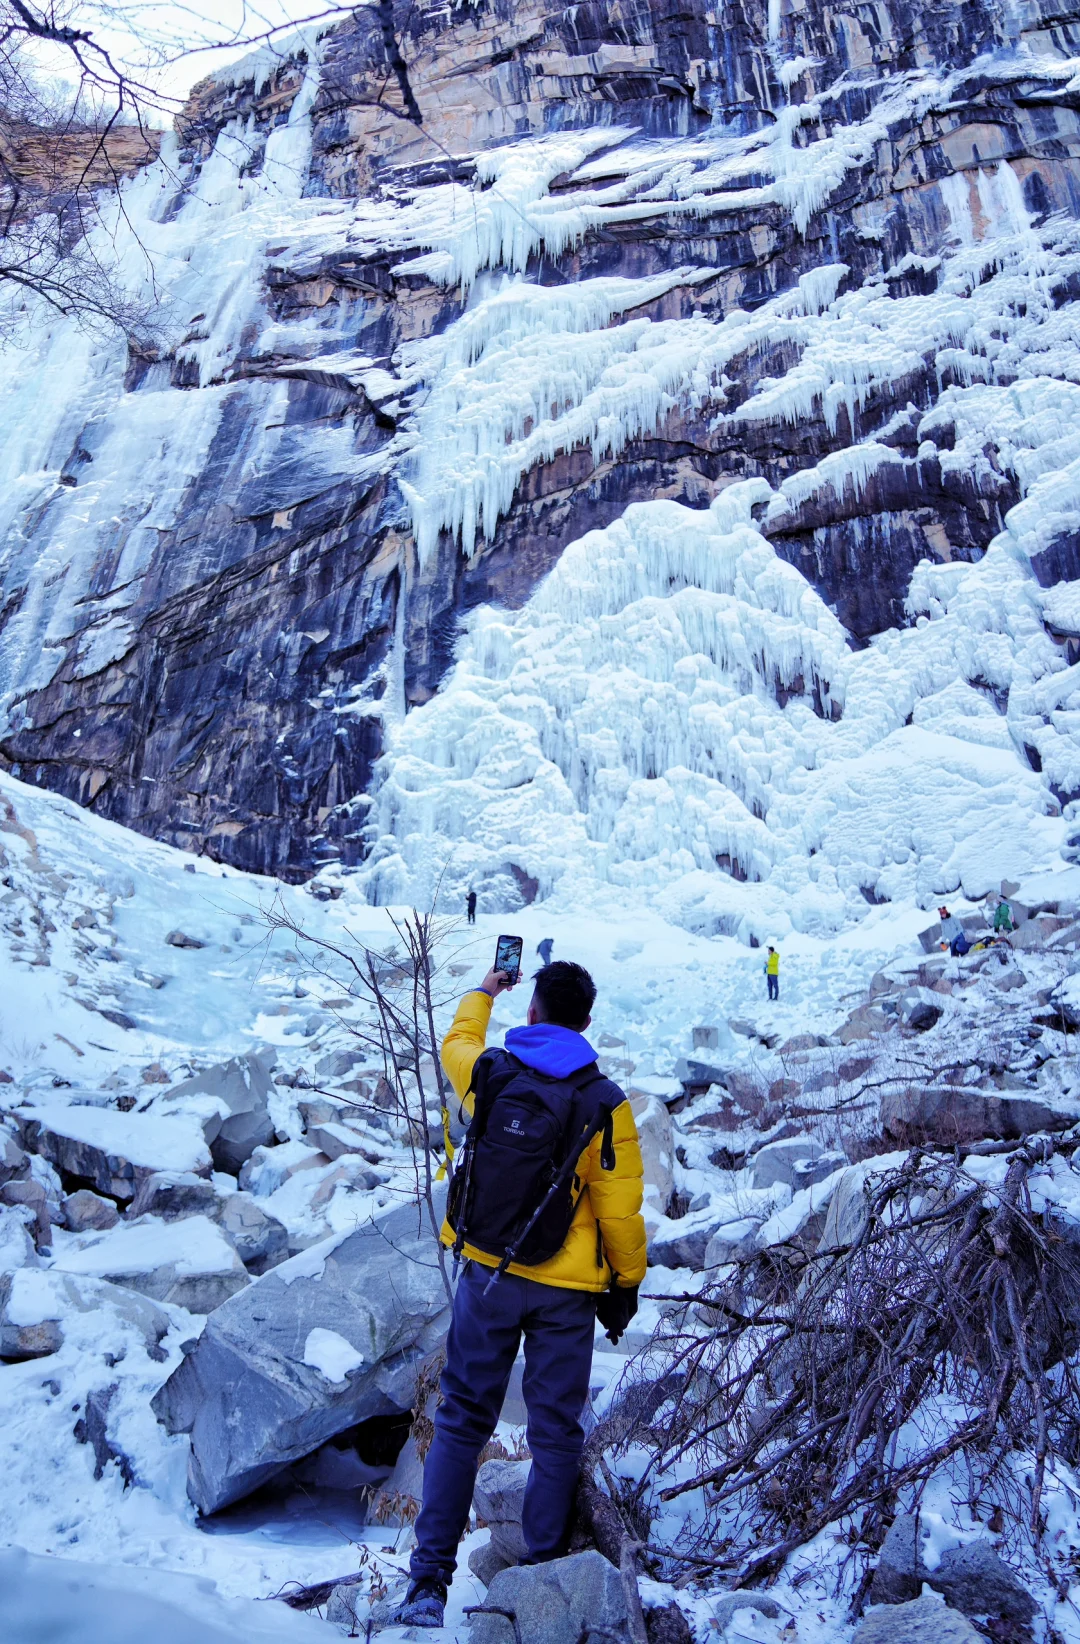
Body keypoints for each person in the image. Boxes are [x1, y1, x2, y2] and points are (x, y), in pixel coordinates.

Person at [396, 960, 646, 1628]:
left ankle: (427, 1584)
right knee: (554, 1430)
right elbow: (620, 1212)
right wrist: (626, 1285)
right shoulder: (605, 1102)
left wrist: (484, 991)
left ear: (531, 1011)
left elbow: (454, 1044)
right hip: (566, 1295)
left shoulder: (493, 1072)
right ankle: (539, 1581)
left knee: (460, 1421)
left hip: (489, 1272)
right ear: (587, 1022)